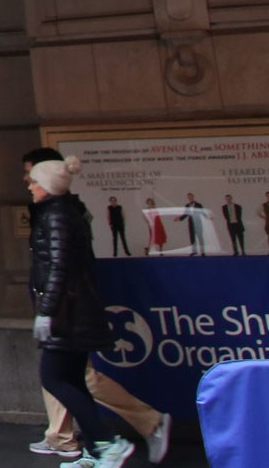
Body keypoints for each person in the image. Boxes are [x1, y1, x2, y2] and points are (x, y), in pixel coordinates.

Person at [26, 151, 169, 462]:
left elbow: (58, 268)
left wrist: (47, 310)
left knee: (54, 378)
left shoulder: (55, 216)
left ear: (48, 185)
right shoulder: (62, 212)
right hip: (74, 312)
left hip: (68, 315)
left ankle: (107, 442)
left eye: (34, 181)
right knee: (75, 379)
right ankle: (96, 449)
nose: (30, 186)